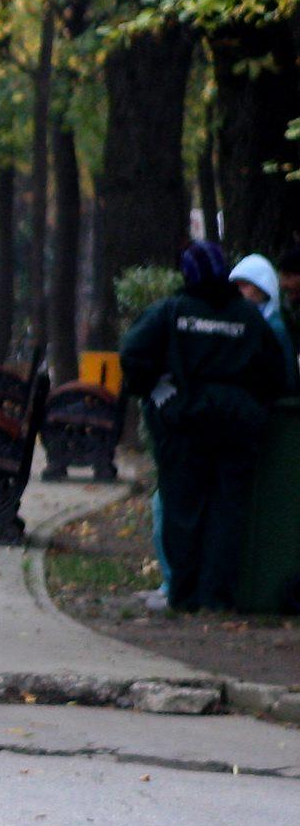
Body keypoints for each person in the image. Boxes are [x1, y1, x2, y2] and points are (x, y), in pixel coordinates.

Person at [119, 239, 292, 612]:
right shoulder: (248, 318)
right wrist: (250, 403)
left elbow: (133, 352)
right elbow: (276, 374)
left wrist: (155, 389)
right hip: (238, 427)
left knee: (182, 509)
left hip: (185, 423)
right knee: (227, 511)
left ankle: (183, 594)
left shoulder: (173, 311)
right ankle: (217, 597)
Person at [232, 252, 290, 363]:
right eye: (235, 285)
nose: (238, 291)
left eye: (244, 285)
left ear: (263, 287)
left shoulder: (275, 327)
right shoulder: (234, 322)